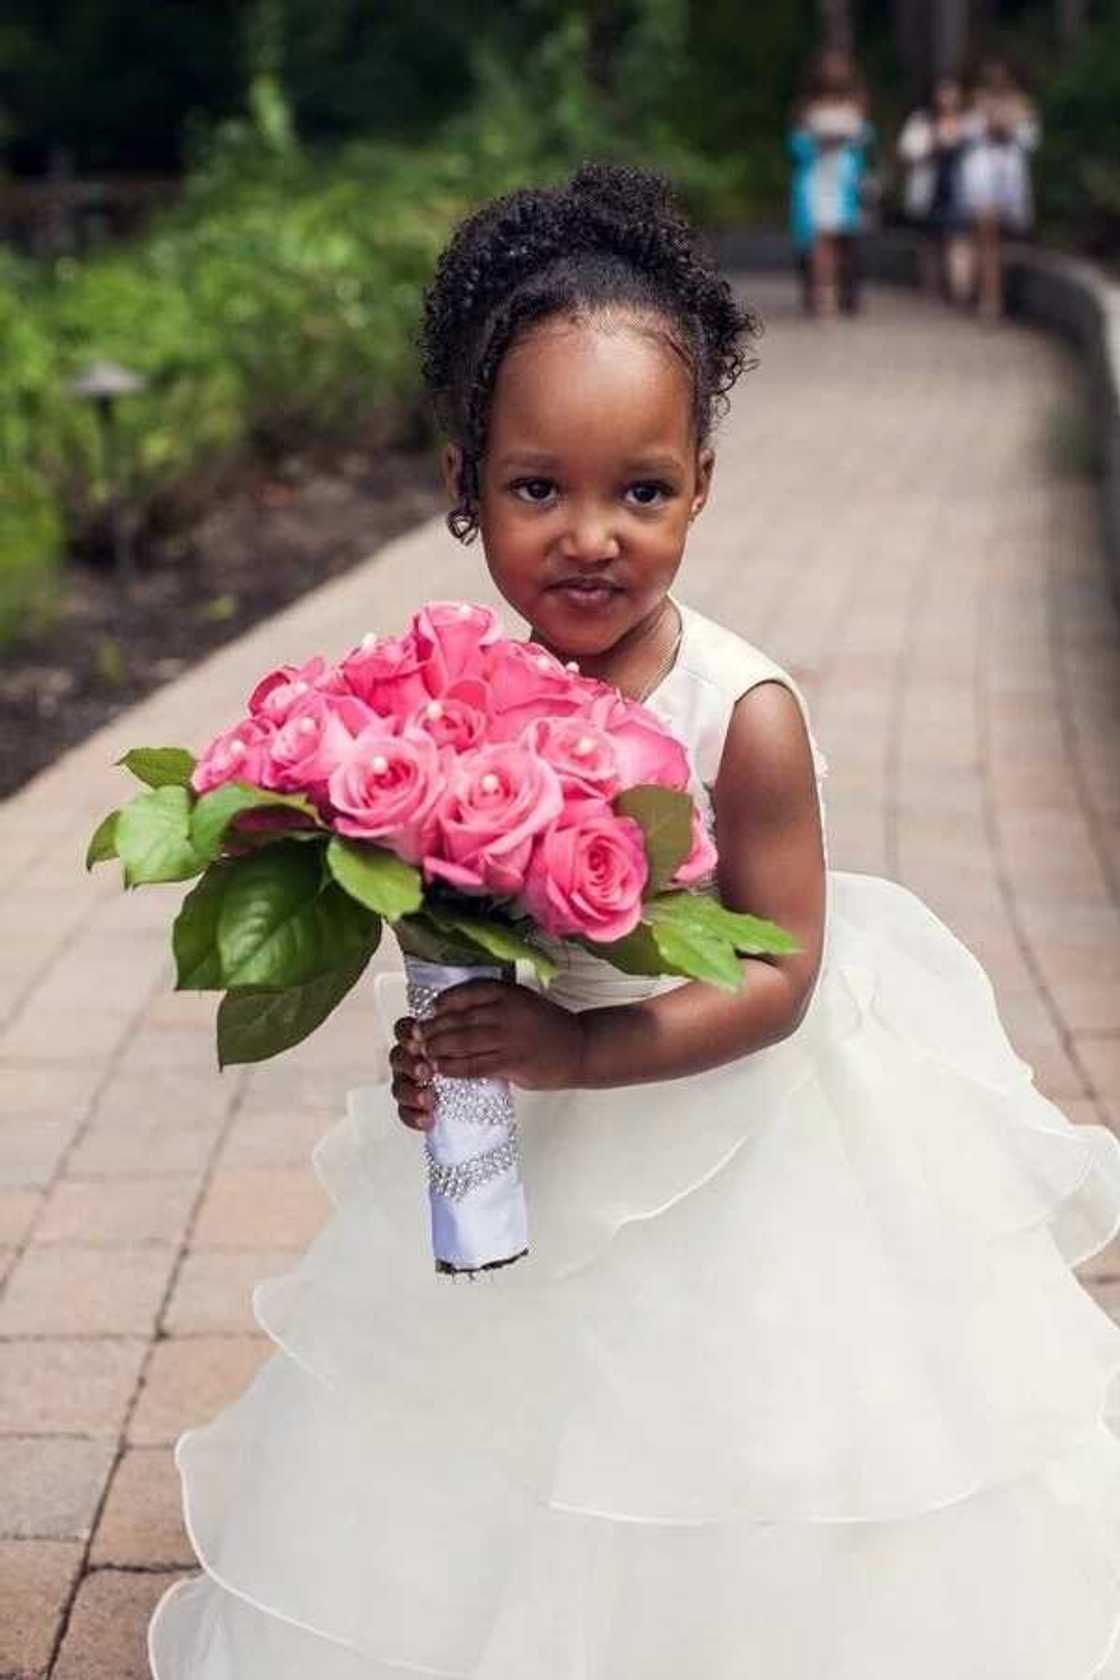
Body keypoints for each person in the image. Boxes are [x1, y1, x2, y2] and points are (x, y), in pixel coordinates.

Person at [148, 162, 1120, 1677]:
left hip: (742, 1136)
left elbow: (785, 971)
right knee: (513, 1420)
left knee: (732, 1426)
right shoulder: (451, 694)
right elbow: (455, 909)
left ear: (703, 483)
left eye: (642, 491)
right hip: (534, 1130)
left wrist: (575, 1053)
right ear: (461, 485)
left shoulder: (748, 715)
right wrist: (454, 1041)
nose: (592, 535)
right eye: (540, 488)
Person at [789, 48, 875, 317]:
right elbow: (795, 146)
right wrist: (816, 144)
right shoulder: (805, 109)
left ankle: (843, 293)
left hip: (845, 181)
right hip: (816, 180)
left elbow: (867, 140)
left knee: (844, 241)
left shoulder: (857, 106)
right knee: (819, 241)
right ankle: (822, 295)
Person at [959, 57, 1040, 320]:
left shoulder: (1022, 106)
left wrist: (1011, 126)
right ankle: (989, 298)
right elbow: (966, 135)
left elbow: (1031, 140)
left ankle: (991, 292)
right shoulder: (975, 105)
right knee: (987, 235)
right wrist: (987, 123)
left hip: (1010, 176)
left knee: (1002, 239)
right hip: (983, 175)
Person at [897, 73, 980, 305]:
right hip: (931, 187)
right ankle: (931, 289)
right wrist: (935, 141)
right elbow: (908, 151)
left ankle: (960, 292)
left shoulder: (969, 121)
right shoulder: (922, 120)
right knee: (929, 241)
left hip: (960, 188)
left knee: (959, 238)